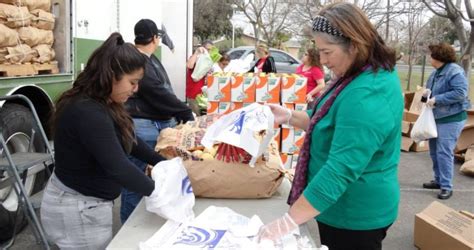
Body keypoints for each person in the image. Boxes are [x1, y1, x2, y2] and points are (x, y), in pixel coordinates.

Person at [258, 3, 403, 250]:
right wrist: (289, 116)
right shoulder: (354, 76)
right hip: (335, 207)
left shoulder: (368, 93)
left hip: (355, 216)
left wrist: (287, 222)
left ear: (355, 45)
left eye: (327, 52)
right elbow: (324, 122)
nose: (323, 61)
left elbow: (341, 168)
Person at [40, 32, 165, 249]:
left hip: (86, 205)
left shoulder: (104, 102)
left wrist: (163, 162)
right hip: (78, 212)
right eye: (132, 82)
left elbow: (132, 142)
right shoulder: (87, 111)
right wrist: (162, 194)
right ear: (111, 75)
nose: (135, 89)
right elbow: (118, 167)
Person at [121, 19, 194, 223]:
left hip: (151, 125)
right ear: (155, 38)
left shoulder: (144, 58)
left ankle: (138, 224)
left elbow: (161, 92)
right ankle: (129, 229)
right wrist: (184, 110)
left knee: (148, 179)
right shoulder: (139, 60)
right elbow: (157, 91)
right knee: (136, 182)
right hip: (145, 127)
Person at [422, 42, 470, 200]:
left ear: (438, 56)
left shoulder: (454, 71)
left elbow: (460, 93)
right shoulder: (436, 72)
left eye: (431, 55)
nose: (429, 57)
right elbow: (430, 89)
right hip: (436, 117)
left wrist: (437, 99)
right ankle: (438, 180)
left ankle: (446, 186)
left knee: (444, 152)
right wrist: (425, 96)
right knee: (434, 151)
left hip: (451, 118)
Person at [186, 40, 214, 115]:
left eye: (210, 50)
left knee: (202, 118)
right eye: (207, 49)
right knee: (197, 117)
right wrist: (196, 52)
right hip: (193, 94)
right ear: (202, 48)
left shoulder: (207, 61)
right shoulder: (195, 57)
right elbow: (189, 65)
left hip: (202, 95)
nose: (208, 52)